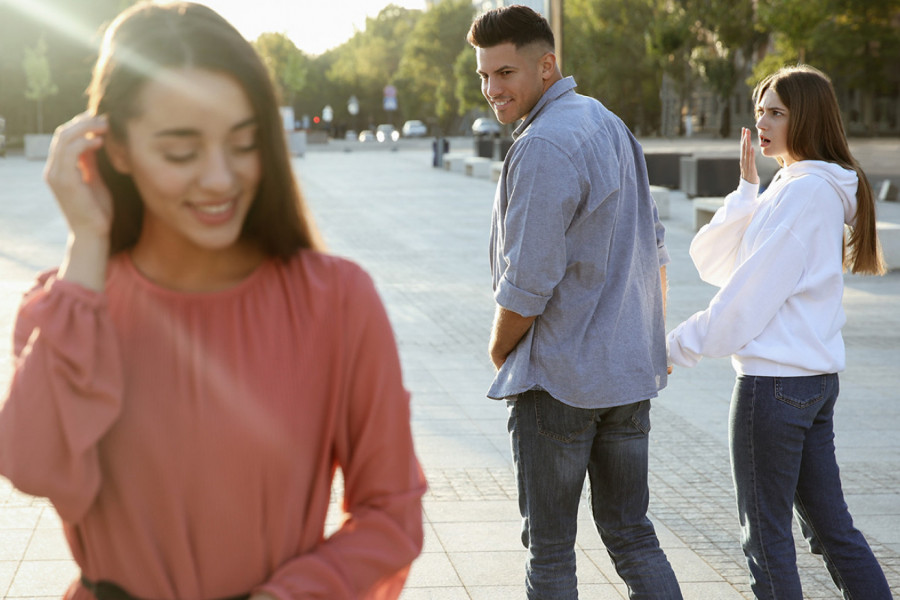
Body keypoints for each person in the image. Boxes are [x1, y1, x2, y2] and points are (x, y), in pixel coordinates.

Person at [0, 3, 426, 599]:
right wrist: (87, 242)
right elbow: (32, 463)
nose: (221, 178)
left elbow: (392, 514)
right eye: (181, 151)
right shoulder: (70, 304)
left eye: (244, 143)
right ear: (113, 148)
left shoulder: (337, 301)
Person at [467, 6, 682, 599]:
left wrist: (498, 350)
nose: (493, 90)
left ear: (546, 64)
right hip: (625, 378)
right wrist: (647, 340)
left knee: (552, 554)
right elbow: (656, 248)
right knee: (634, 537)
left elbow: (528, 281)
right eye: (484, 76)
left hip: (559, 382)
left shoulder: (544, 145)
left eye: (505, 73)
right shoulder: (609, 124)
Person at [667, 64, 891, 599]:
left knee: (768, 541)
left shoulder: (804, 193)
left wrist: (675, 346)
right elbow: (713, 263)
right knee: (832, 533)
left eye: (776, 112)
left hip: (774, 388)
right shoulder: (792, 186)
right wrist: (746, 192)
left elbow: (745, 301)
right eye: (759, 111)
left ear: (806, 118)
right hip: (808, 383)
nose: (761, 123)